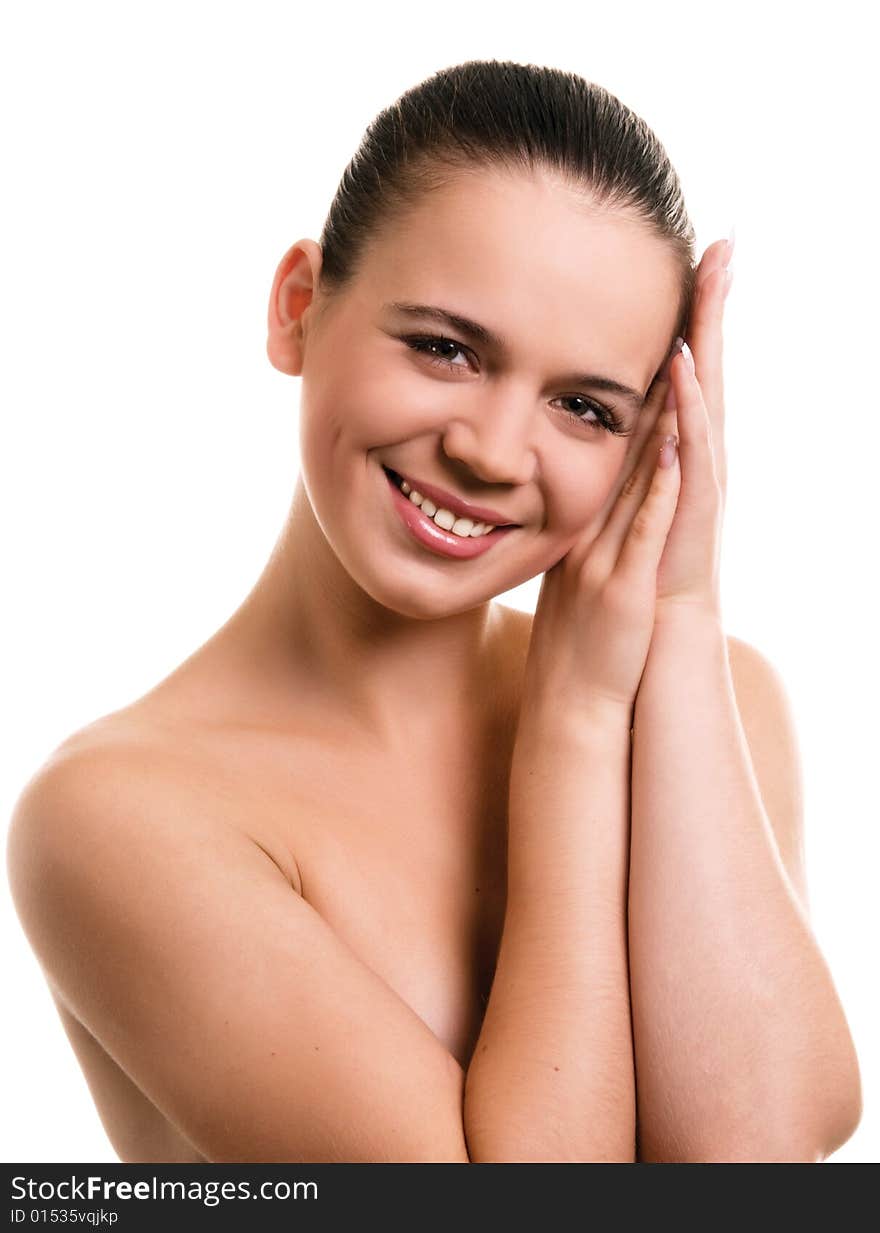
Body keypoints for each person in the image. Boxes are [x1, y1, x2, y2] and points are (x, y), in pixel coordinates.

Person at [6, 59, 861, 1164]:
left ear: (658, 436)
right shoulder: (116, 818)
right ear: (299, 308)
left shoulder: (716, 697)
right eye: (445, 348)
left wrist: (681, 611)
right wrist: (573, 732)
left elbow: (760, 1151)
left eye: (584, 406)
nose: (490, 451)